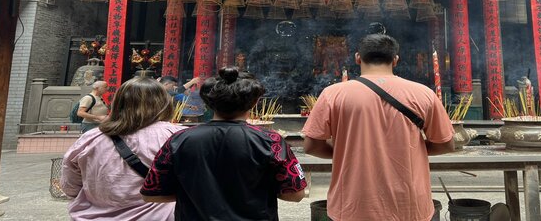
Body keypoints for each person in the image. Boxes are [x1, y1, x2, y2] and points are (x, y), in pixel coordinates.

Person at [302, 34, 455, 221]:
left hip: (353, 204)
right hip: (409, 205)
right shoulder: (423, 94)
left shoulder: (333, 95)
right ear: (395, 60)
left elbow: (311, 145)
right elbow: (446, 144)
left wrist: (348, 150)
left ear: (358, 58)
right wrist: (409, 150)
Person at [141, 67, 307, 220]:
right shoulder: (271, 141)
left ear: (207, 103)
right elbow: (295, 194)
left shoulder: (179, 140)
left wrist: (194, 193)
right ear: (254, 102)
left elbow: (151, 193)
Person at [61, 78, 183, 220]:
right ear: (164, 103)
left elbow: (70, 186)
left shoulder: (90, 139)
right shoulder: (176, 136)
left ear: (118, 102)